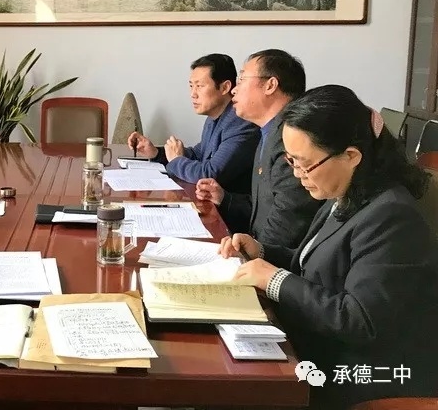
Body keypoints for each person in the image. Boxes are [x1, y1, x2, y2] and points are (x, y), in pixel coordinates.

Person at [219, 85, 438, 409]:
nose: (297, 175)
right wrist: (261, 252)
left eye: (305, 164)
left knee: (233, 388)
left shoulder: (391, 215)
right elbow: (316, 264)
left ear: (351, 156)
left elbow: (360, 320)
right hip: (321, 346)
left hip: (363, 374)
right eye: (291, 161)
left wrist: (275, 280)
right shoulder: (346, 193)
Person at [195, 49, 322, 249]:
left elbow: (288, 224)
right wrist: (225, 198)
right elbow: (264, 207)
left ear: (270, 85)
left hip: (276, 260)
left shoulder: (292, 140)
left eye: (242, 80)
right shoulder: (268, 132)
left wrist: (252, 254)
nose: (234, 90)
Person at [128, 53, 259, 193]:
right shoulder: (214, 118)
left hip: (228, 205)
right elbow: (198, 155)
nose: (193, 94)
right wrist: (155, 153)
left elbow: (209, 174)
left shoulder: (240, 123)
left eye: (200, 86)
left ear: (225, 87)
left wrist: (176, 160)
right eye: (191, 86)